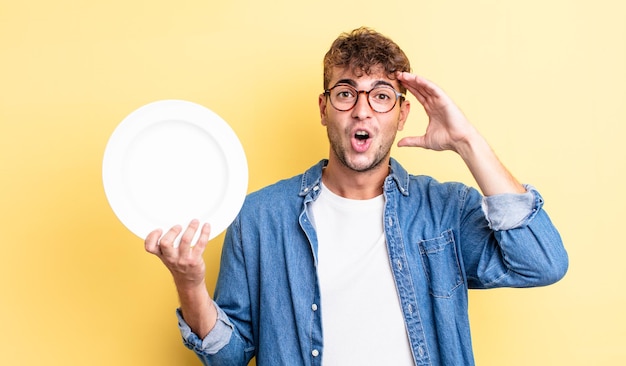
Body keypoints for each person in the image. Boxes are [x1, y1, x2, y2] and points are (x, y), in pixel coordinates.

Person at [144, 27, 568, 366]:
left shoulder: (445, 211)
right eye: (346, 93)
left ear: (402, 114)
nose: (362, 110)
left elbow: (541, 262)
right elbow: (230, 356)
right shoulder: (259, 218)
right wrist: (189, 284)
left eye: (381, 95)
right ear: (324, 107)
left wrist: (467, 141)